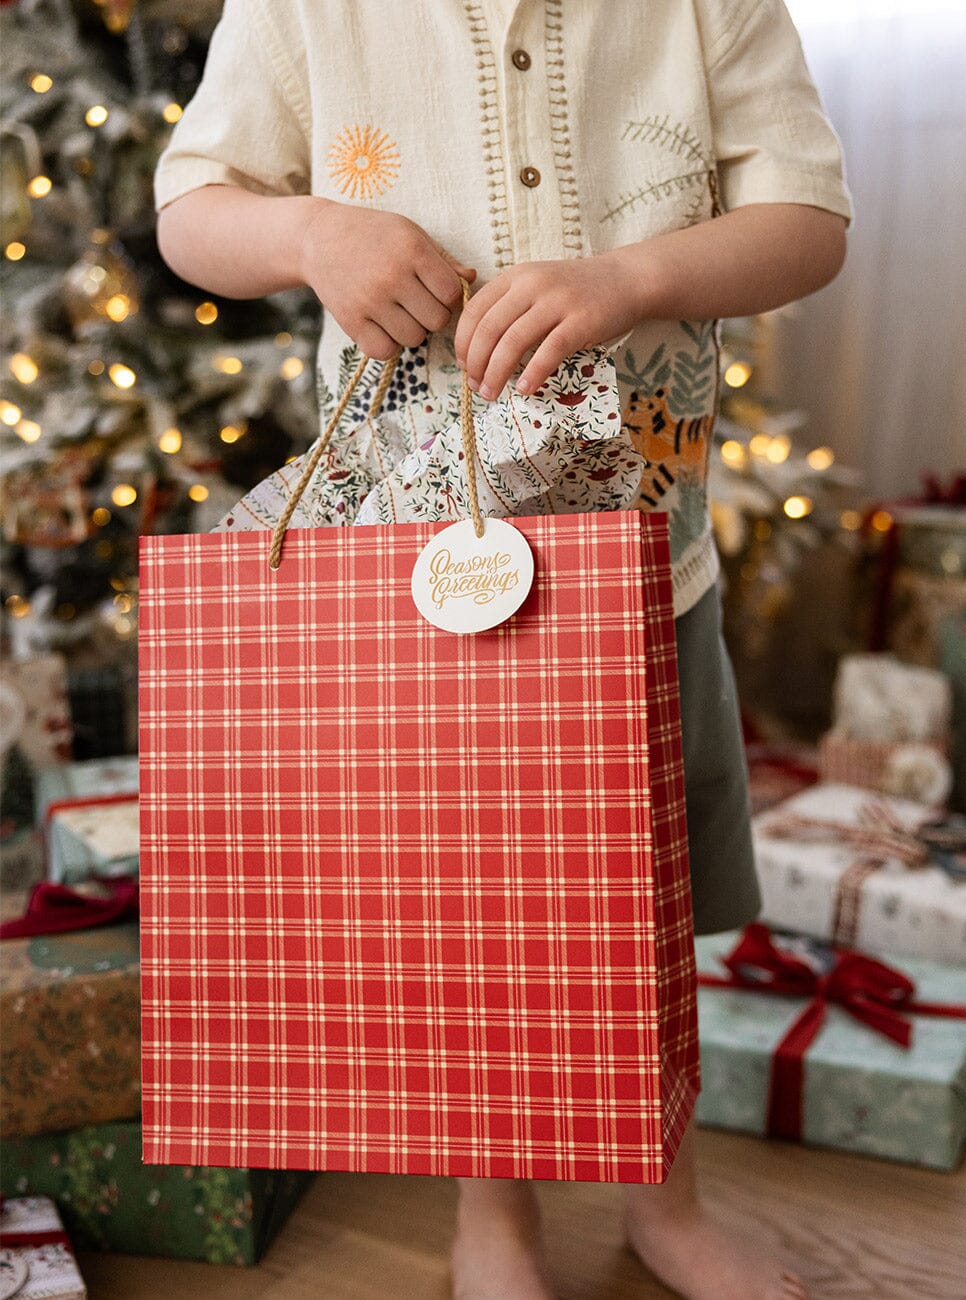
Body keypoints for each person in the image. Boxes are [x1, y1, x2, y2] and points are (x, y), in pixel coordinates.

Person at [153, 2, 851, 1296]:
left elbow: (805, 221)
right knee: (472, 906)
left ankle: (666, 1196)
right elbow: (192, 207)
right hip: (412, 573)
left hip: (644, 556)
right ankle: (496, 1220)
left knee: (652, 888)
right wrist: (312, 230)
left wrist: (631, 279)